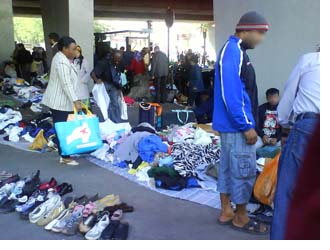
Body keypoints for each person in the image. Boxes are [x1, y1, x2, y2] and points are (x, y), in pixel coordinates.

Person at [212, 11, 269, 234]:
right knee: (243, 171)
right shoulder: (233, 51)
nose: (261, 39)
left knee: (227, 170)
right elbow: (231, 93)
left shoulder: (235, 51)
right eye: (260, 33)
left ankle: (227, 211)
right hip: (237, 126)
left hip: (230, 126)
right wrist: (246, 126)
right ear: (245, 30)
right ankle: (241, 217)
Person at [271, 50, 320, 240]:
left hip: (309, 128)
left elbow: (289, 94)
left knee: (287, 197)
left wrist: (283, 121)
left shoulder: (311, 60)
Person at [42, 36, 82, 166]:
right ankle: (65, 157)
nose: (75, 51)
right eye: (72, 49)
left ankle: (64, 153)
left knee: (63, 128)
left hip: (64, 101)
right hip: (60, 101)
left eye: (75, 48)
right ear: (64, 49)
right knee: (62, 129)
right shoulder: (61, 61)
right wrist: (76, 101)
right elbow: (66, 84)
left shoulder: (65, 59)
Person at [91, 50, 123, 123]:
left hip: (114, 85)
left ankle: (116, 121)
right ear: (112, 57)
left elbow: (119, 76)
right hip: (105, 83)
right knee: (106, 103)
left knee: (115, 103)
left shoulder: (119, 63)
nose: (118, 61)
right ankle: (107, 121)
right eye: (116, 59)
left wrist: (119, 88)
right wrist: (97, 80)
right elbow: (92, 73)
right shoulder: (104, 63)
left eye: (119, 59)